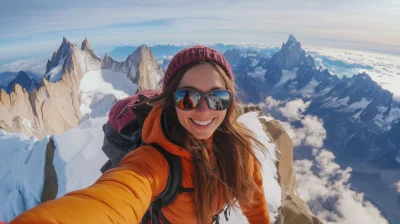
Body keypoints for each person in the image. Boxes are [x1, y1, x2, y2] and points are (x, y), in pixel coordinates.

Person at [10, 46, 271, 224]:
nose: (204, 109)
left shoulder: (239, 149)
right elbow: (111, 200)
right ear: (170, 101)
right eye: (188, 97)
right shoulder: (153, 161)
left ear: (230, 102)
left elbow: (254, 197)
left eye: (218, 98)